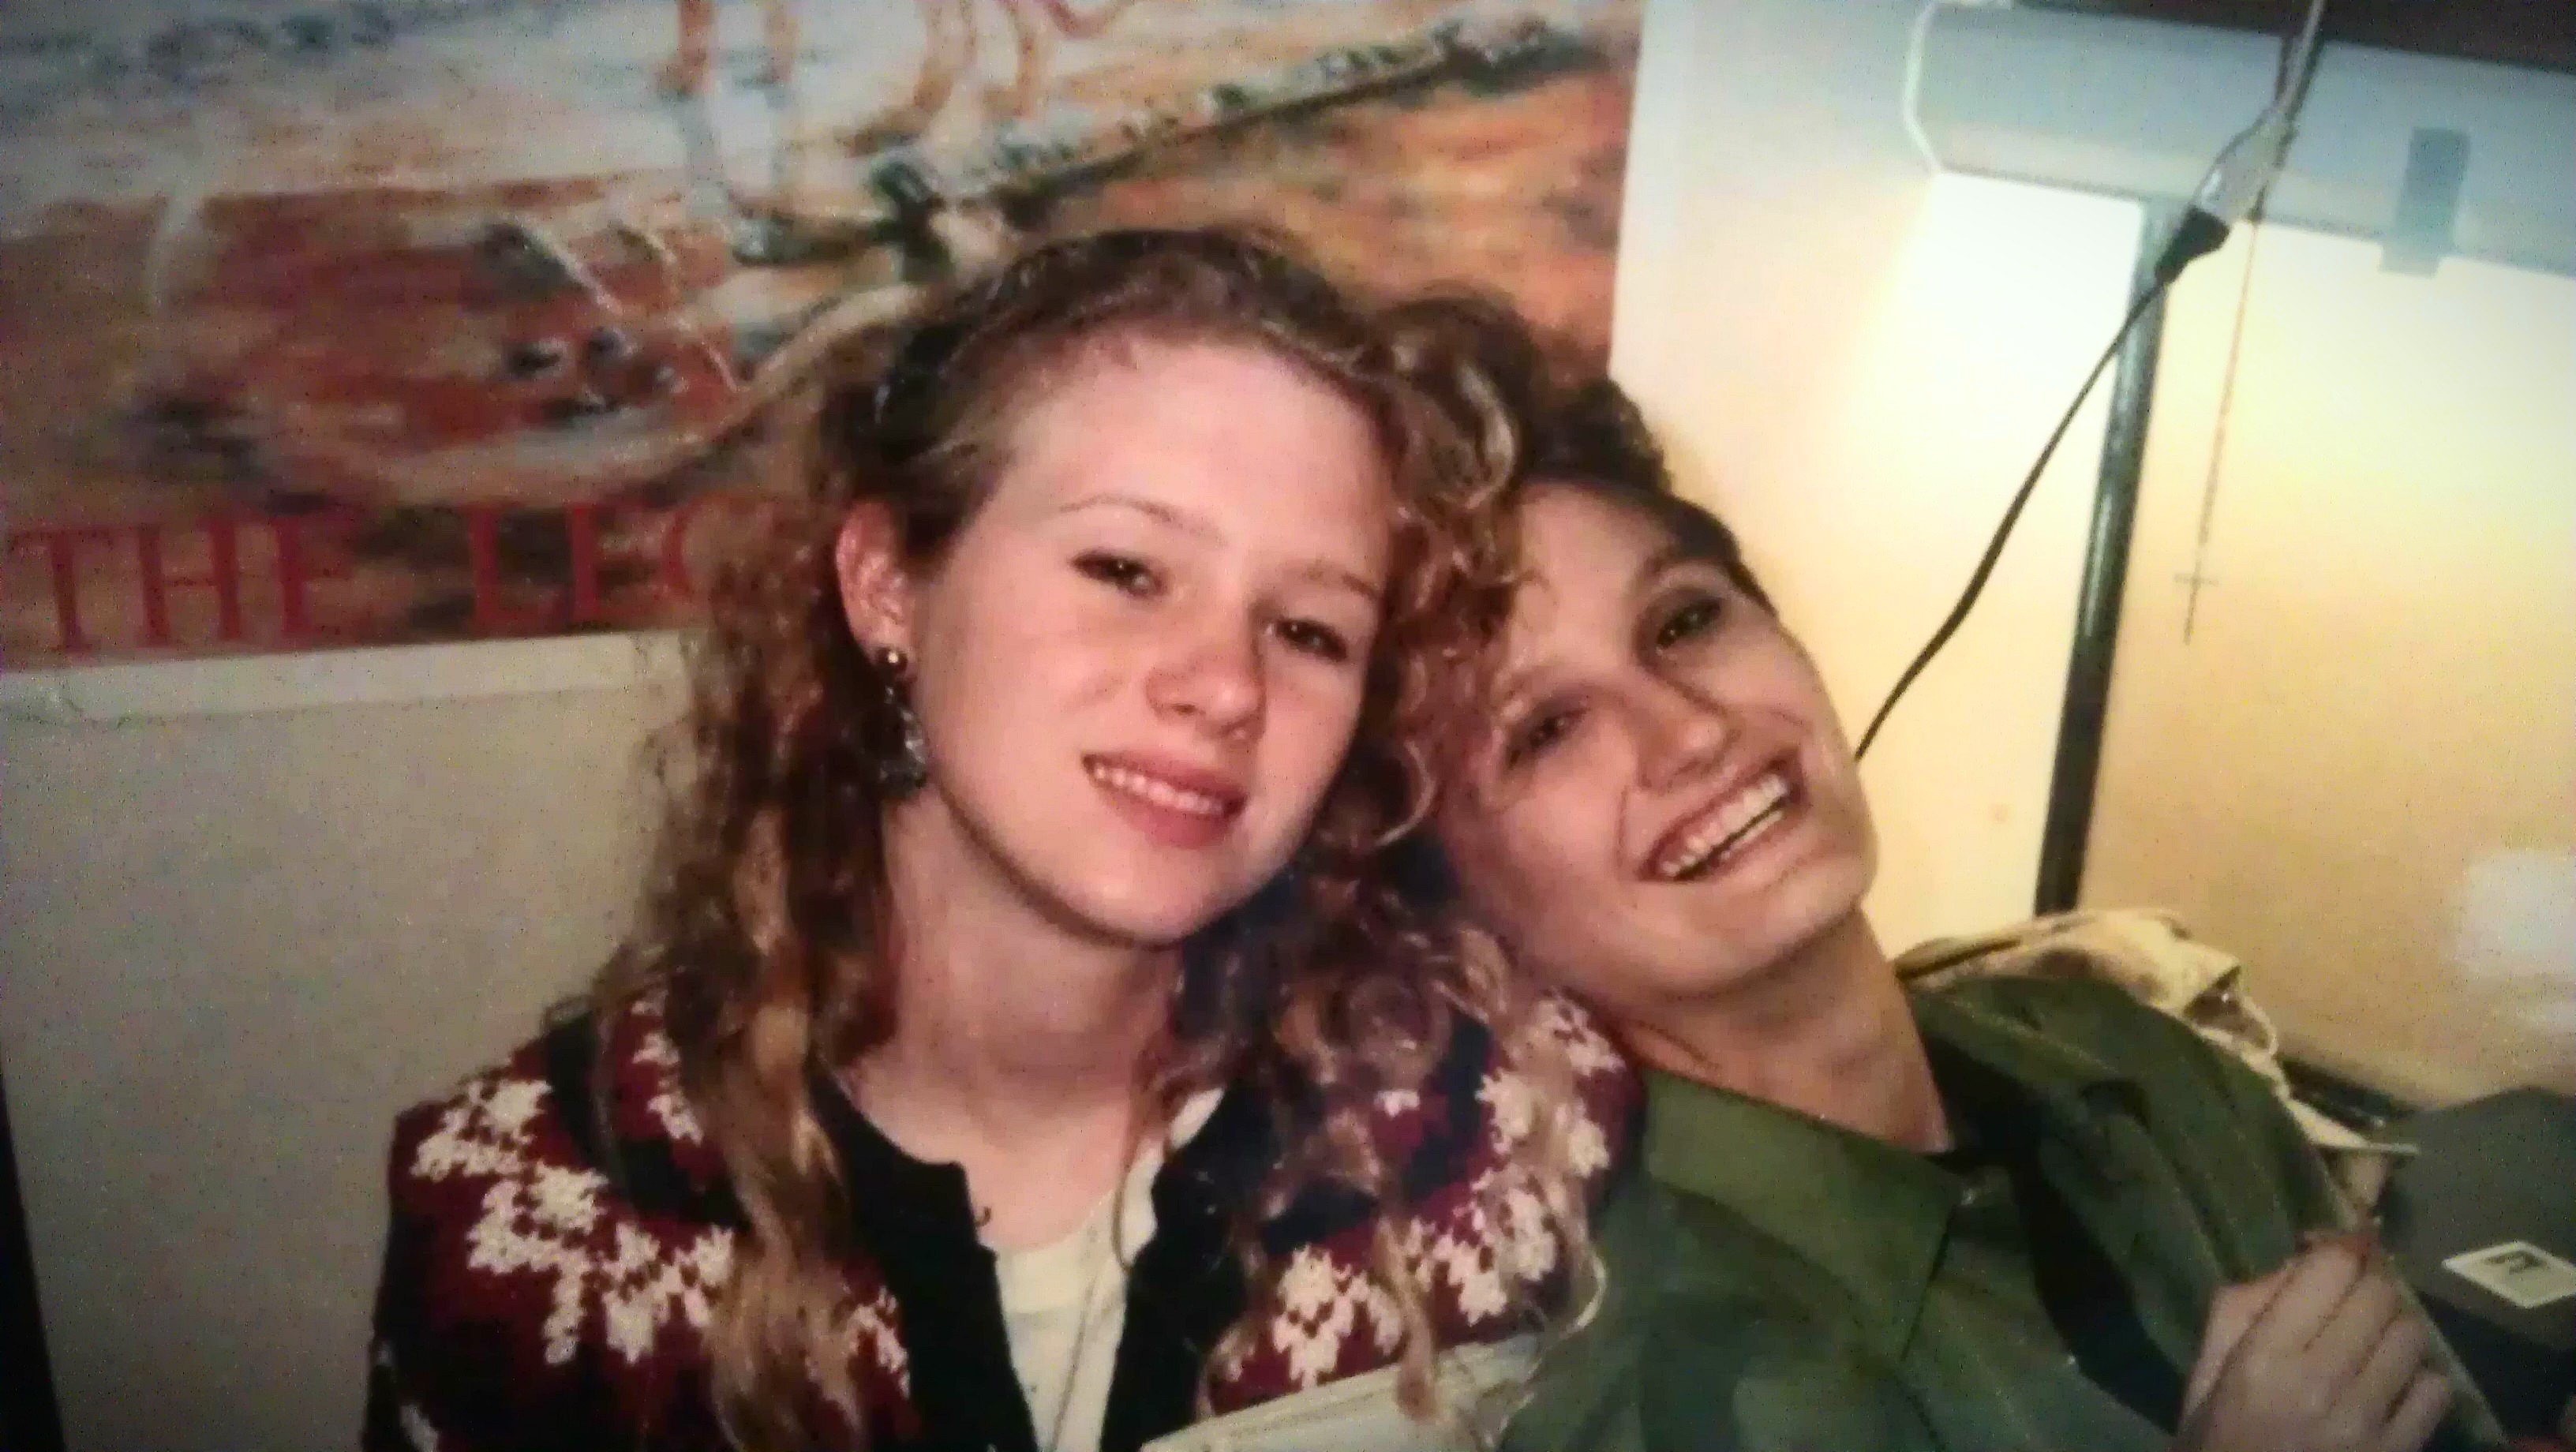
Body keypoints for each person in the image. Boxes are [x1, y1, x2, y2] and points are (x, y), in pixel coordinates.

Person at [361, 232, 1624, 1452]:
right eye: (1126, 569)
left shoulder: (1507, 1131)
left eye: (1310, 631)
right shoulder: (540, 1220)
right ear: (889, 586)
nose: (1226, 685)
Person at [1380, 296, 2508, 1452]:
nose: (1693, 732)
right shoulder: (1670, 1379)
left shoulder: (2143, 1066)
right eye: (1548, 730)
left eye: (1684, 624)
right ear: (1452, 905)